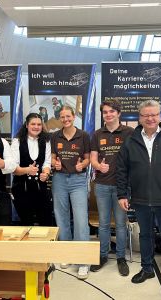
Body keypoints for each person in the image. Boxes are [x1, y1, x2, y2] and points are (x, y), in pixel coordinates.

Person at [116, 100, 161, 300]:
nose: (150, 118)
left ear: (160, 115)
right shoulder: (131, 141)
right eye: (146, 115)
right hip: (140, 200)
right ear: (139, 117)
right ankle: (147, 268)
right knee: (145, 236)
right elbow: (122, 169)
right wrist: (122, 194)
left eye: (154, 114)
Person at [89, 99, 133, 276]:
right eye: (105, 112)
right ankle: (103, 255)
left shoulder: (129, 132)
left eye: (111, 111)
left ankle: (121, 257)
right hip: (102, 185)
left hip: (122, 188)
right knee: (104, 224)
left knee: (121, 224)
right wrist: (99, 166)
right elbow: (93, 158)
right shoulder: (97, 134)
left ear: (119, 113)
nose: (108, 114)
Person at [51, 105, 91, 280]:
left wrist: (83, 165)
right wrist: (55, 164)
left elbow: (89, 158)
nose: (65, 119)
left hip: (78, 180)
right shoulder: (55, 136)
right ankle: (67, 253)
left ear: (74, 117)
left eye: (68, 116)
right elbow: (53, 156)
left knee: (81, 219)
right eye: (62, 117)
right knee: (62, 217)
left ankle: (83, 262)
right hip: (59, 179)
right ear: (60, 119)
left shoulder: (83, 135)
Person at [11, 113, 53, 226]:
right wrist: (27, 170)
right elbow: (13, 167)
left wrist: (46, 173)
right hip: (21, 188)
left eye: (39, 124)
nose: (36, 127)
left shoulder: (46, 141)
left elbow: (47, 163)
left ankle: (46, 244)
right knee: (26, 222)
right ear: (27, 125)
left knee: (46, 221)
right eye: (33, 124)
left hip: (41, 187)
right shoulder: (17, 141)